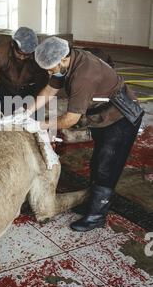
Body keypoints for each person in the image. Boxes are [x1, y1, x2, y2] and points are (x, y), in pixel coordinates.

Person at [28, 36, 143, 232]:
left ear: (63, 59)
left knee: (107, 166)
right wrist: (26, 113)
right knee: (98, 161)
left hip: (120, 119)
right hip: (101, 116)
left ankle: (96, 216)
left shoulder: (84, 75)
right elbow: (49, 90)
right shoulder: (66, 62)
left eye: (51, 67)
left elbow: (71, 119)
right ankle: (93, 203)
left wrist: (42, 125)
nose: (49, 72)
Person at [0, 27, 49, 115]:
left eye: (26, 55)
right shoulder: (1, 53)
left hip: (30, 92)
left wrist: (28, 108)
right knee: (0, 118)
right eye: (19, 53)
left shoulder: (37, 55)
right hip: (6, 89)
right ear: (13, 45)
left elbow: (42, 85)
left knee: (32, 121)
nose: (22, 57)